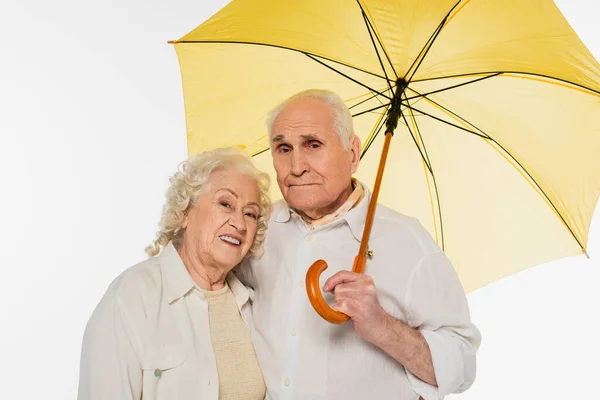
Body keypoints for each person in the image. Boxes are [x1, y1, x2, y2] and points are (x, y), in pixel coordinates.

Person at [237, 89, 481, 400]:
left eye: (313, 145)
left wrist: (380, 325)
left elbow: (461, 365)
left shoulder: (408, 242)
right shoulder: (255, 227)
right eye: (284, 149)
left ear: (353, 153)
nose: (296, 166)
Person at [78, 147, 272, 400]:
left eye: (250, 214)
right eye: (226, 204)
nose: (239, 223)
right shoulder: (131, 297)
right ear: (184, 213)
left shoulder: (253, 306)